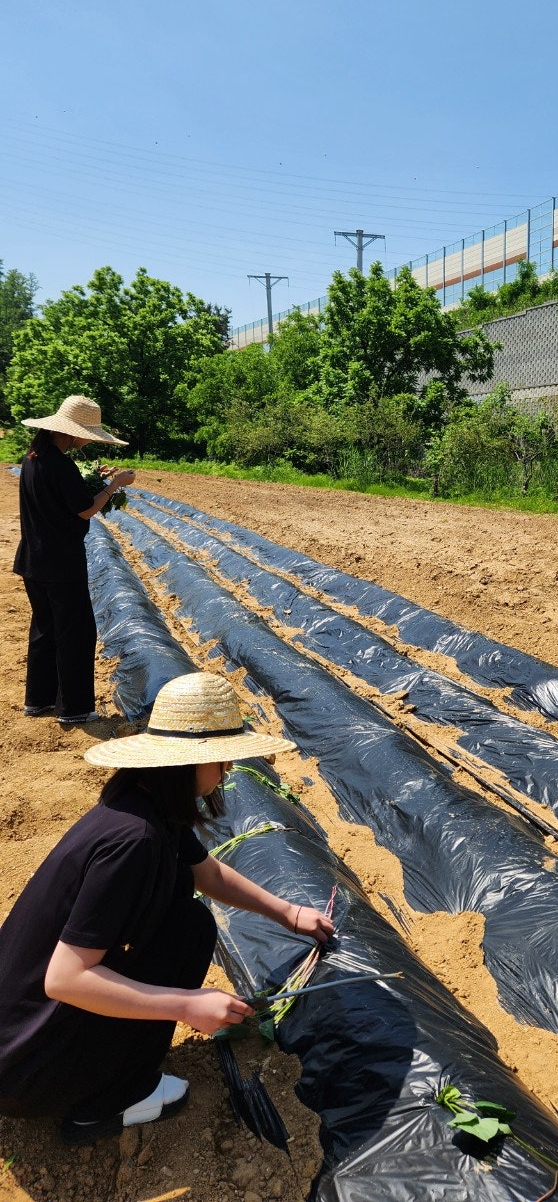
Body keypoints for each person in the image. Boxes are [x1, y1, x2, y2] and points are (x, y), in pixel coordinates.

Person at [0, 672, 334, 1146]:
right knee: (187, 934)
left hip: (14, 1032)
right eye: (219, 759)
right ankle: (104, 1103)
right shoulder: (133, 843)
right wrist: (187, 1004)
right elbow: (64, 979)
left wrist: (287, 912)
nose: (228, 769)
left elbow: (207, 873)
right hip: (23, 1069)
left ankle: (104, 1063)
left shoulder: (144, 802)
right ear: (186, 762)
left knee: (189, 925)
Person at [13, 394, 136, 725]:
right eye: (88, 435)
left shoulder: (33, 459)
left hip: (32, 560)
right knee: (76, 633)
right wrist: (113, 485)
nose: (88, 441)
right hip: (60, 563)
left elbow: (64, 496)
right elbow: (84, 508)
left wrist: (96, 479)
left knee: (45, 629)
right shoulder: (60, 464)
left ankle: (37, 700)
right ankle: (75, 708)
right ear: (72, 432)